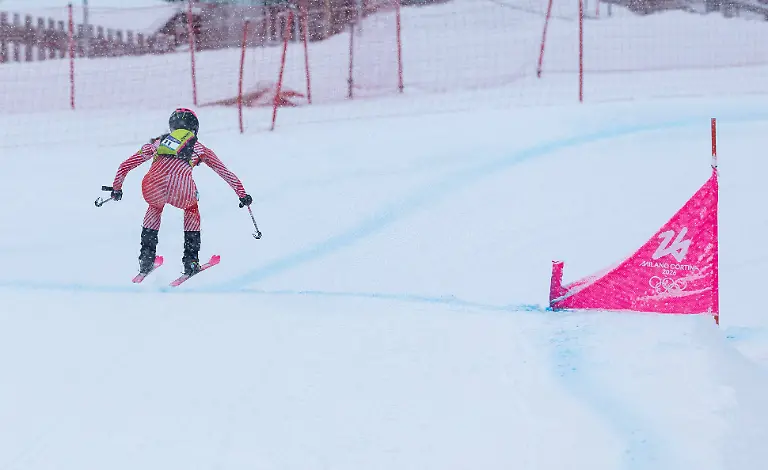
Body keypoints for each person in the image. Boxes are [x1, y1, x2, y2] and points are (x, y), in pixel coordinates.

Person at [109, 108, 252, 276]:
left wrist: (117, 188)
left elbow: (125, 165)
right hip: (181, 189)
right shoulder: (200, 148)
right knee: (191, 210)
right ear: (194, 128)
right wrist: (242, 194)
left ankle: (146, 258)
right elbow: (224, 172)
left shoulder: (158, 143)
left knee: (154, 208)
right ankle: (191, 261)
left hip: (152, 186)